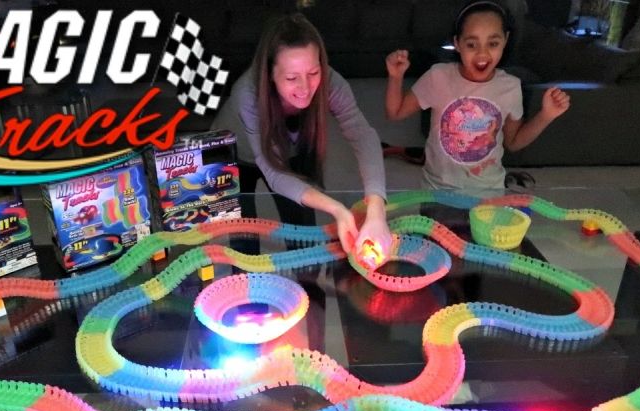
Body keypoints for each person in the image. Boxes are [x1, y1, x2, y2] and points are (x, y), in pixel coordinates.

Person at [212, 14, 392, 256]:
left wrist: (376, 209)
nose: (305, 88)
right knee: (244, 240)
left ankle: (308, 279)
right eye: (291, 78)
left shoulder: (331, 82)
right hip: (233, 155)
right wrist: (338, 209)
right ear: (269, 74)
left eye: (314, 72)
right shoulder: (247, 93)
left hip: (287, 150)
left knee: (304, 236)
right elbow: (273, 174)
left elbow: (363, 135)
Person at [384, 0, 571, 191]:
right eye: (472, 44)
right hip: (437, 189)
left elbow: (514, 142)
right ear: (457, 43)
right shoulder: (438, 76)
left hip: (488, 192)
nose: (482, 53)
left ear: (505, 40)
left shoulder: (510, 87)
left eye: (493, 43)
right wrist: (395, 77)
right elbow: (395, 112)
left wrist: (546, 115)